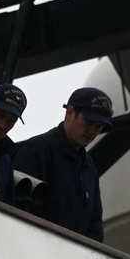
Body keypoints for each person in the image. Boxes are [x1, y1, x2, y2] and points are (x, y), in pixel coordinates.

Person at [12, 87, 113, 242]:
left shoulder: (89, 167)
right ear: (70, 113)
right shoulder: (37, 150)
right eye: (89, 122)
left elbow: (94, 225)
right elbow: (17, 212)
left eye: (99, 126)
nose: (93, 131)